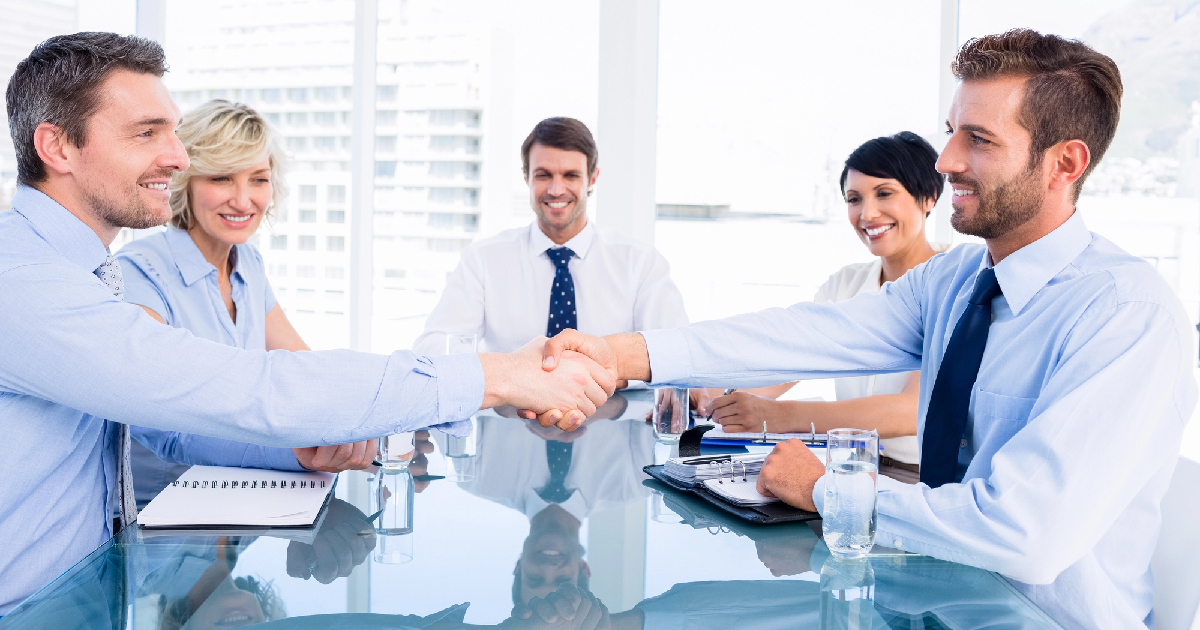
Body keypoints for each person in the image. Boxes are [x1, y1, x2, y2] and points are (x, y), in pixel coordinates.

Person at [535, 29, 1195, 630]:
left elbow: (1023, 534)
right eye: (952, 131)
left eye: (981, 140)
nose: (947, 159)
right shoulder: (959, 278)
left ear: (1066, 164)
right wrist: (622, 353)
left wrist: (827, 487)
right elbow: (812, 334)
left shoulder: (1124, 315)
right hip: (932, 595)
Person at [0, 32, 613, 614]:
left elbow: (294, 372)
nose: (177, 155)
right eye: (147, 133)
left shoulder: (82, 270)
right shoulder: (26, 285)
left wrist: (325, 433)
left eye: (175, 133)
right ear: (58, 147)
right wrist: (497, 375)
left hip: (90, 589)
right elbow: (240, 393)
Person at [116, 99, 373, 508]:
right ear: (185, 182)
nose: (243, 200)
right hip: (155, 526)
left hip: (237, 512)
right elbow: (167, 428)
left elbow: (301, 371)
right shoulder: (138, 274)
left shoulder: (247, 264)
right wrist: (299, 455)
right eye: (221, 178)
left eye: (258, 179)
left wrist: (375, 416)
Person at [708, 131, 948, 484]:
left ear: (928, 197)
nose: (867, 213)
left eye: (884, 193)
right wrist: (708, 396)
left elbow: (911, 411)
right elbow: (788, 359)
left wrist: (778, 416)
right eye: (854, 199)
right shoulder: (845, 284)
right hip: (850, 470)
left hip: (923, 480)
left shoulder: (954, 282)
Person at [413, 117, 689, 394]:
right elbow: (434, 348)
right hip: (509, 422)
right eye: (544, 175)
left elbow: (676, 352)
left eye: (571, 175)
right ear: (526, 177)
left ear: (592, 178)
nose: (556, 190)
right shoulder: (483, 260)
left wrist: (616, 371)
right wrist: (514, 372)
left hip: (615, 421)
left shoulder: (639, 263)